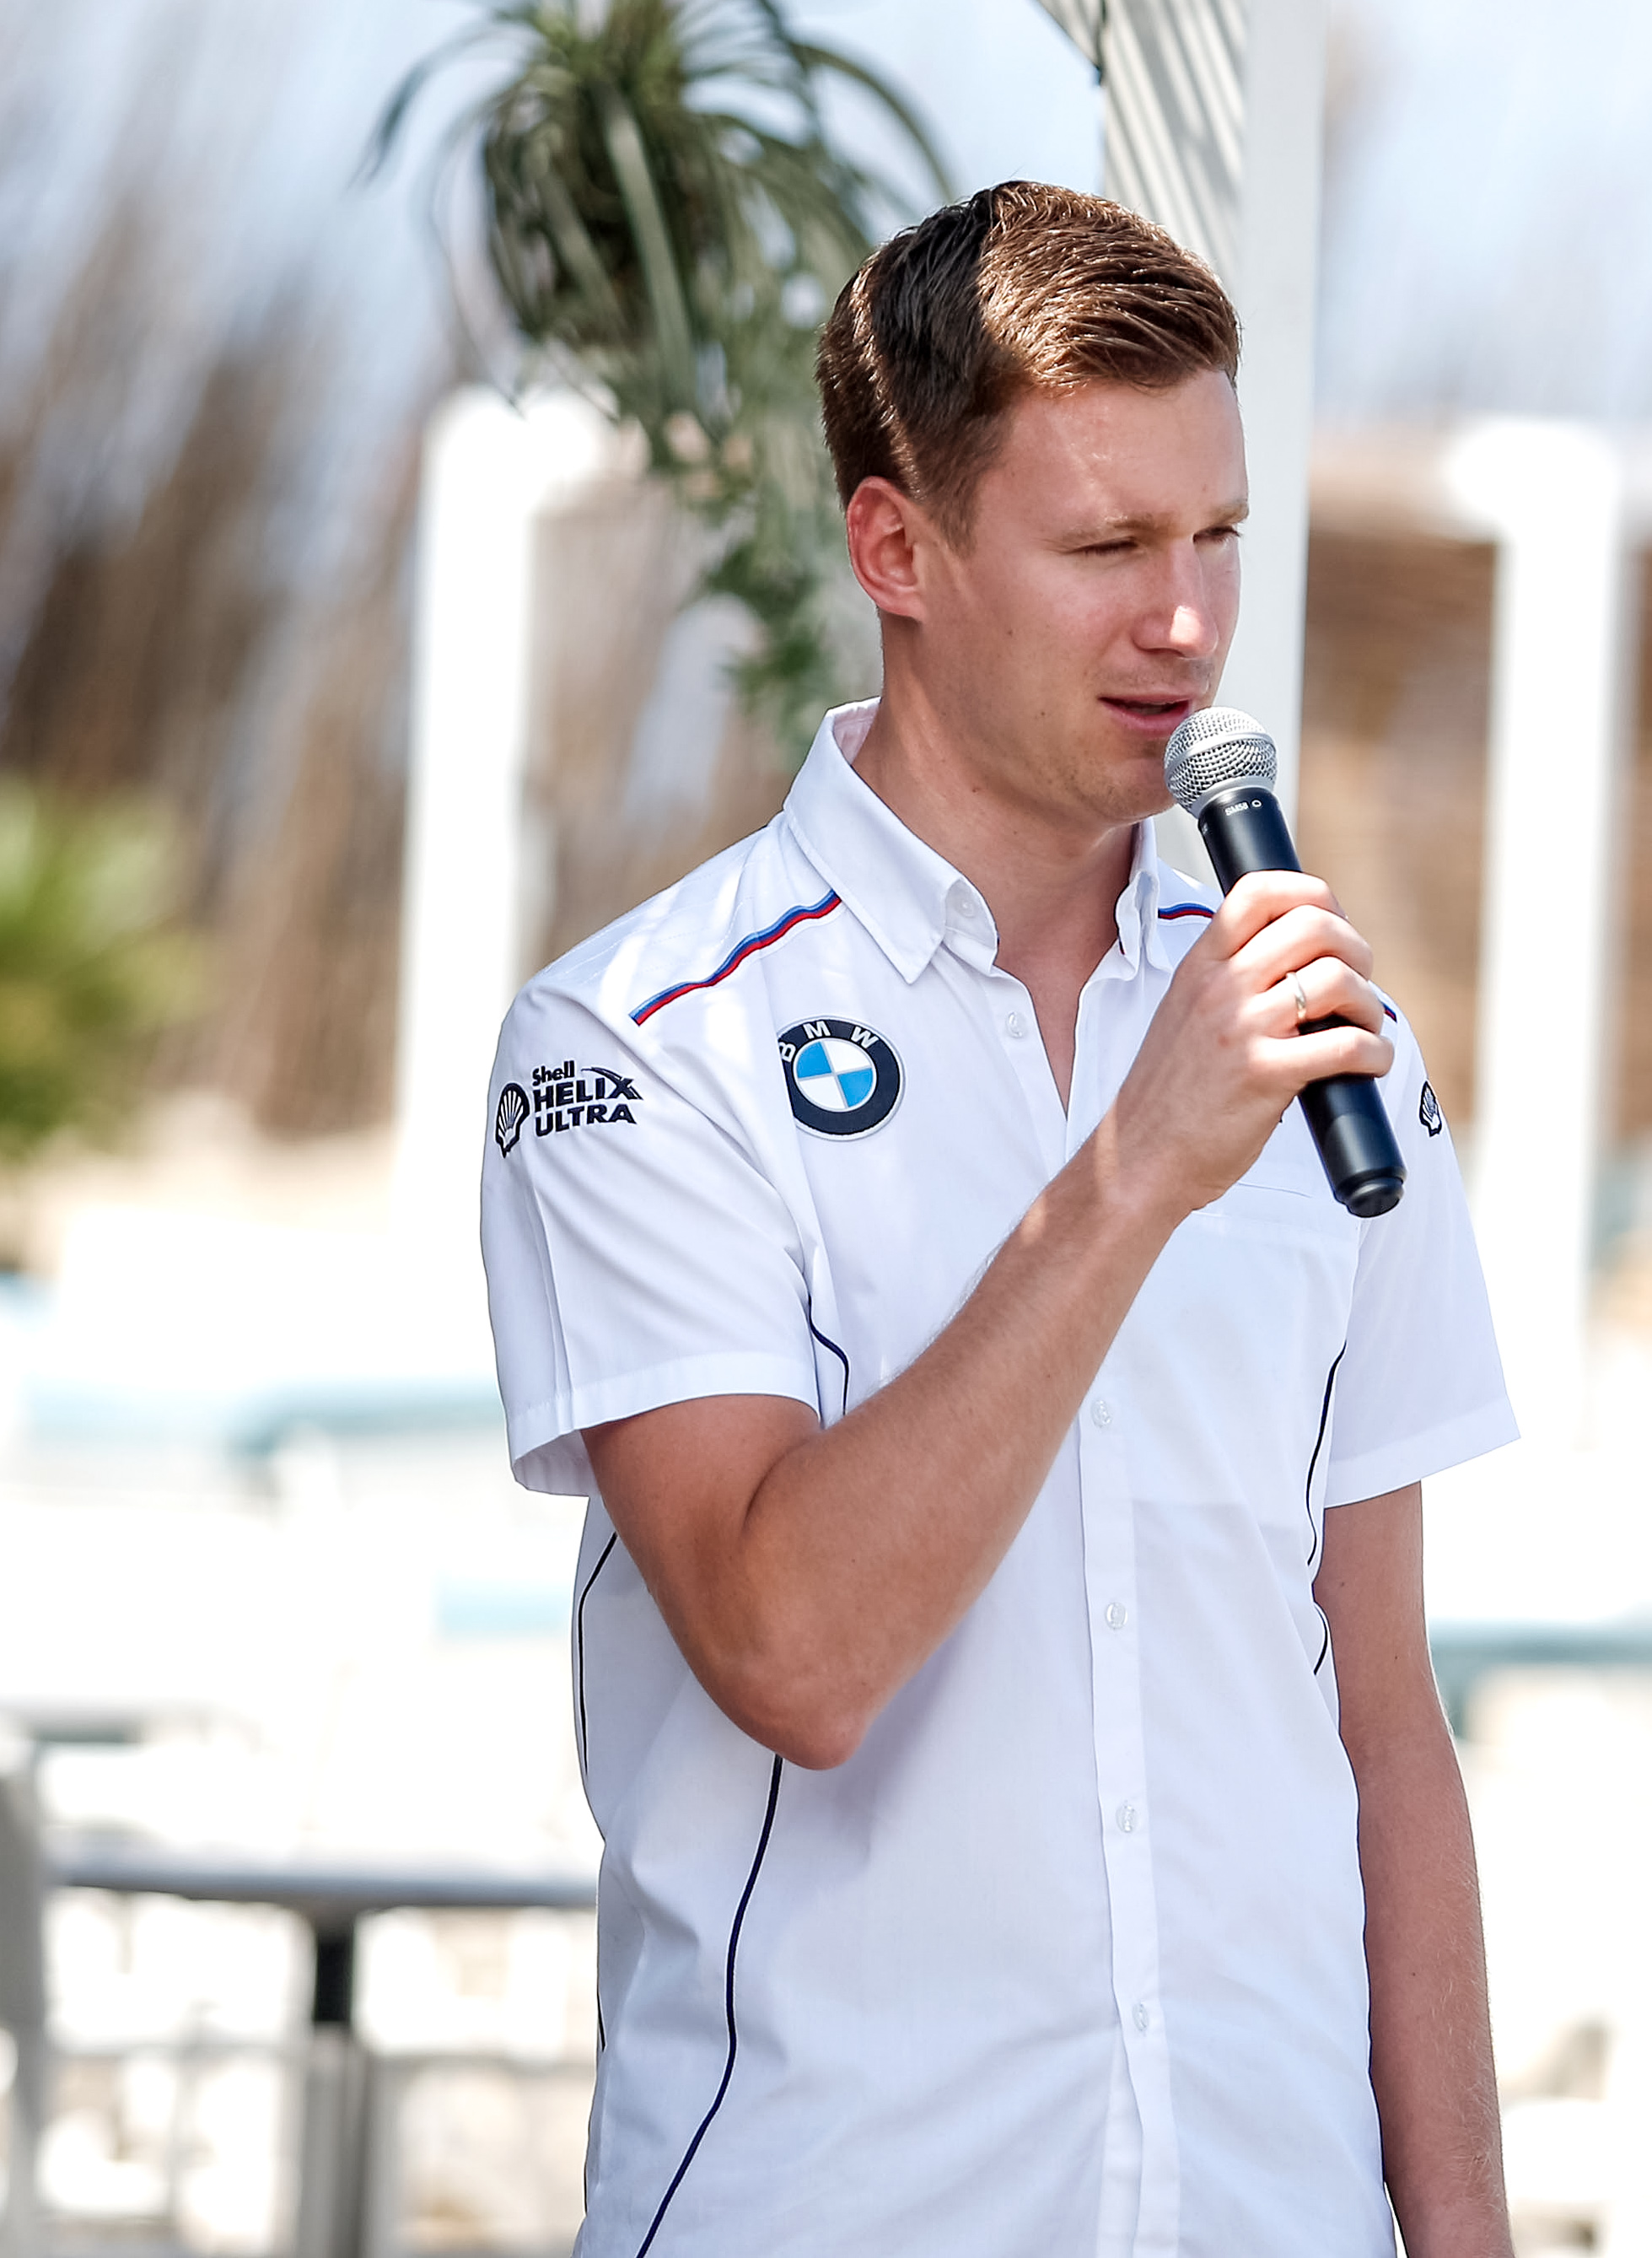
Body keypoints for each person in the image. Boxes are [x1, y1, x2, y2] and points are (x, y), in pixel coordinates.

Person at [479, 183, 1517, 2256]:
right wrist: (1133, 1172)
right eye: (1108, 548)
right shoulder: (641, 1041)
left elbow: (1386, 1729)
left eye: (1218, 536)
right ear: (898, 550)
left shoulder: (1332, 1041)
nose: (1187, 624)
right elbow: (792, 1652)